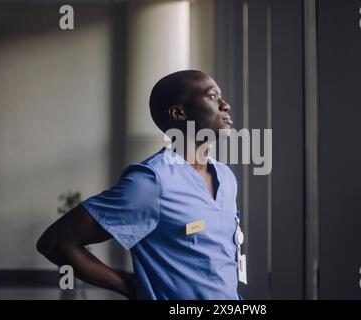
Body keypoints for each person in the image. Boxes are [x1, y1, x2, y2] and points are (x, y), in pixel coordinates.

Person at [36, 70, 243, 300]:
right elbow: (56, 242)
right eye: (213, 97)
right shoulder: (152, 183)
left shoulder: (226, 177)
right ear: (179, 112)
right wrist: (132, 288)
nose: (225, 106)